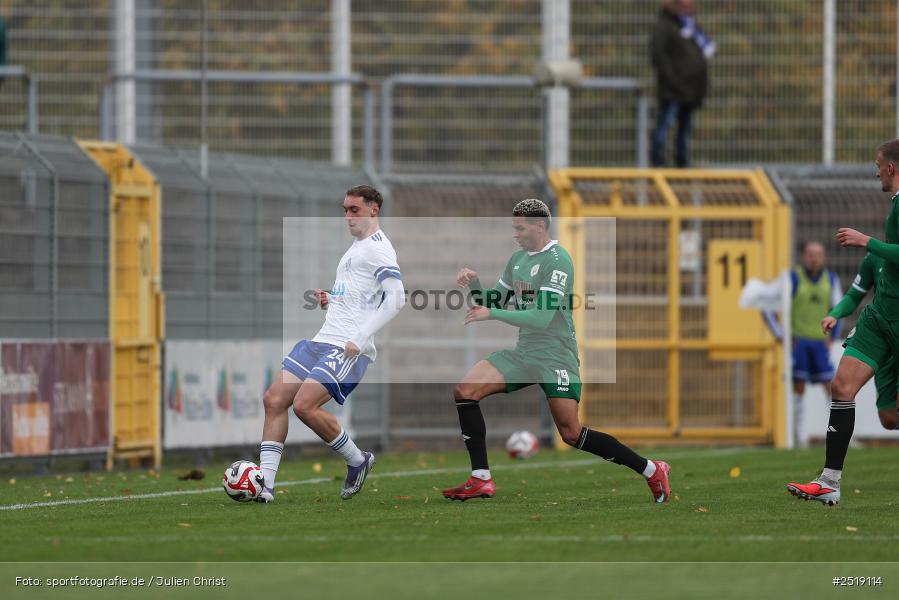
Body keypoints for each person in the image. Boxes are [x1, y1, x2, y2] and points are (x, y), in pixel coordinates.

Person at [442, 199, 671, 503]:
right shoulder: (518, 260)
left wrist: (492, 314)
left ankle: (652, 469)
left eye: (520, 228)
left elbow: (540, 318)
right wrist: (474, 284)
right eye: (514, 228)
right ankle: (480, 479)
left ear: (540, 226)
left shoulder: (558, 260)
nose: (516, 234)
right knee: (465, 390)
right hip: (525, 352)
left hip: (556, 356)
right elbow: (492, 300)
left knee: (571, 433)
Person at [257, 185, 405, 502]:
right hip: (322, 339)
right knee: (274, 399)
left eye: (355, 210)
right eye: (345, 210)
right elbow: (361, 295)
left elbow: (396, 298)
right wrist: (333, 299)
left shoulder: (379, 248)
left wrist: (361, 337)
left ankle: (357, 459)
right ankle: (264, 486)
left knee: (304, 406)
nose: (348, 216)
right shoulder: (356, 247)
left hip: (348, 347)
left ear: (373, 210)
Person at [787, 139, 899, 505]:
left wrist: (867, 241)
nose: (875, 171)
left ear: (891, 168)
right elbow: (857, 290)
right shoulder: (893, 208)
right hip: (881, 318)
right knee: (841, 385)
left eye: (877, 165)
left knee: (889, 416)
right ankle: (830, 482)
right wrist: (837, 312)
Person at [762, 241, 842, 446]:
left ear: (823, 258)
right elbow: (767, 308)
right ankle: (799, 437)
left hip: (820, 342)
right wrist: (782, 336)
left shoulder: (831, 280)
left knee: (832, 387)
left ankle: (841, 435)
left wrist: (832, 337)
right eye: (810, 254)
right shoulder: (792, 278)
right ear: (804, 256)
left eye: (818, 254)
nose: (814, 258)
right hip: (799, 343)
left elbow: (839, 309)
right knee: (799, 388)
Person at [823, 252, 899, 431]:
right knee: (888, 419)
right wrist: (835, 314)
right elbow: (854, 294)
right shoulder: (875, 257)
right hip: (885, 339)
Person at [649, 0, 715, 168]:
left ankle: (682, 165)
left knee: (684, 132)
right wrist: (673, 79)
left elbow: (701, 51)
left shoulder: (690, 28)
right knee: (664, 127)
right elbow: (659, 56)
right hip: (673, 89)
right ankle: (658, 164)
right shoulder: (665, 26)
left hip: (690, 90)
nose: (690, 7)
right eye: (685, 5)